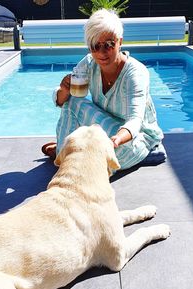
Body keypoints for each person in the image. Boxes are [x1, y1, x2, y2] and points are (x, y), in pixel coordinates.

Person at [42, 9, 166, 170]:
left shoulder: (135, 73)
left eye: (109, 44)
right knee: (71, 100)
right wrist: (64, 90)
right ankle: (66, 152)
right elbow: (61, 101)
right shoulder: (89, 63)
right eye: (95, 46)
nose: (101, 52)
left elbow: (134, 121)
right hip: (105, 130)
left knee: (92, 164)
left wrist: (115, 140)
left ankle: (66, 152)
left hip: (133, 139)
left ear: (120, 42)